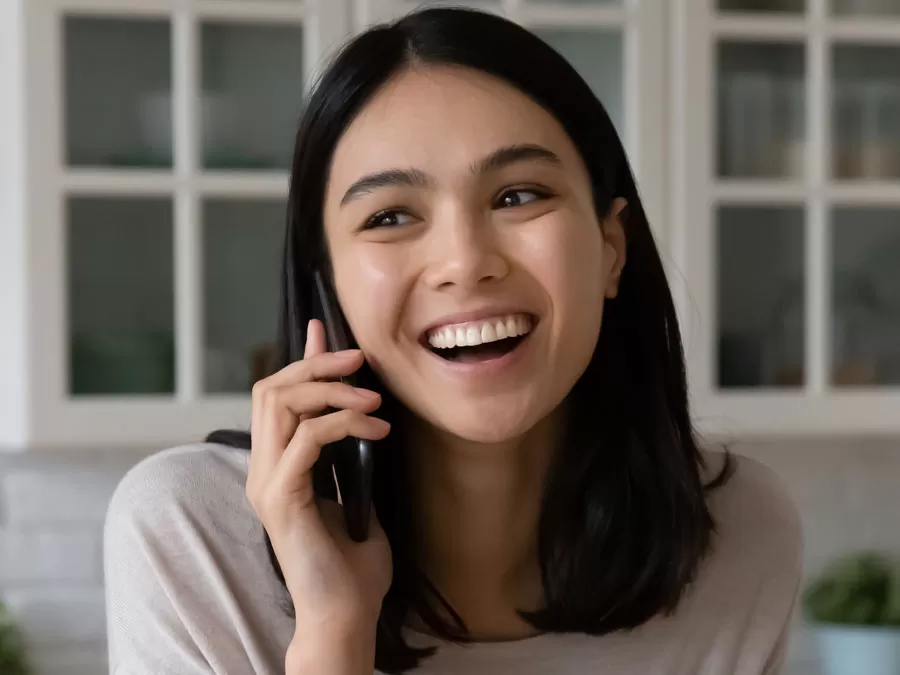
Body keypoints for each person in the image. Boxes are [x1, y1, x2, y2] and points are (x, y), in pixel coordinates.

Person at [103, 7, 803, 675]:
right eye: (390, 215)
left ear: (611, 248)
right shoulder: (190, 536)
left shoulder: (740, 536)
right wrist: (332, 633)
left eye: (518, 196)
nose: (465, 262)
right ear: (331, 285)